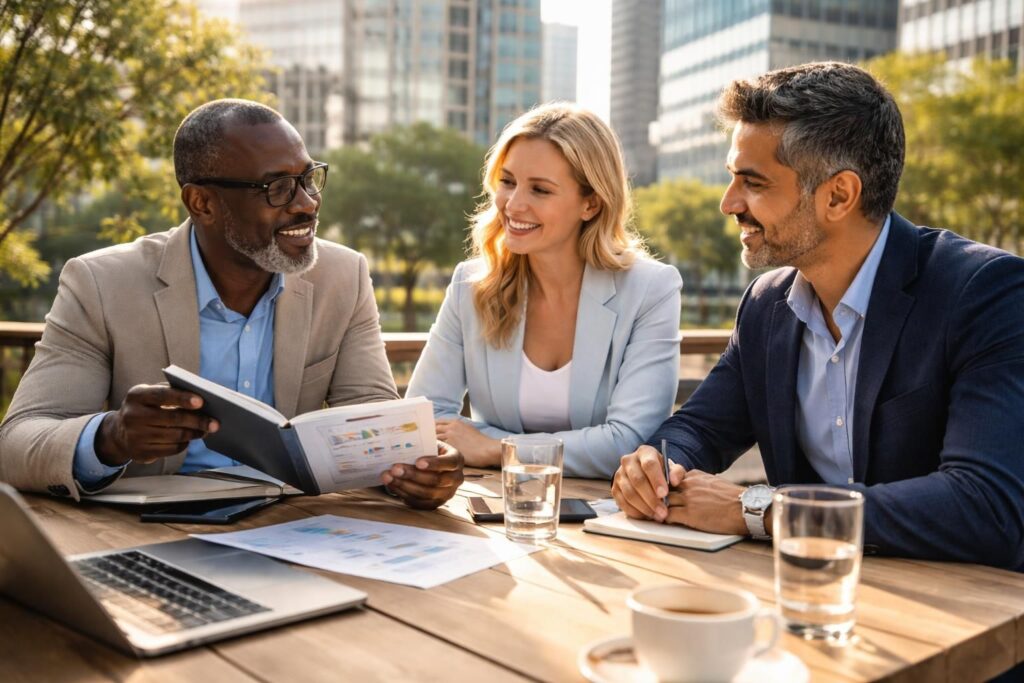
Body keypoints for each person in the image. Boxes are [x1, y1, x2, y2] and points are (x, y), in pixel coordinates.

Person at [611, 62, 1024, 570]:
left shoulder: (985, 292)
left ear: (838, 196)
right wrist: (656, 466)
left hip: (967, 616)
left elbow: (986, 506)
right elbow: (700, 429)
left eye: (753, 183)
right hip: (803, 594)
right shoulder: (765, 306)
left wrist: (760, 510)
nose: (728, 203)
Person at [0, 99, 463, 510]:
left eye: (308, 179)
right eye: (277, 188)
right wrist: (111, 437)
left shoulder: (343, 277)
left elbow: (373, 419)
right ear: (202, 203)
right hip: (148, 529)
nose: (306, 204)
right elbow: (16, 444)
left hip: (294, 524)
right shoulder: (101, 284)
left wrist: (418, 470)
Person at [406, 103, 682, 478]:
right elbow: (425, 418)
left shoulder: (651, 289)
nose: (513, 204)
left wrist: (495, 448)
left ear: (591, 203)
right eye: (507, 182)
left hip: (600, 516)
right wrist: (574, 447)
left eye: (540, 190)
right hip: (492, 510)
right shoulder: (470, 285)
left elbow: (629, 441)